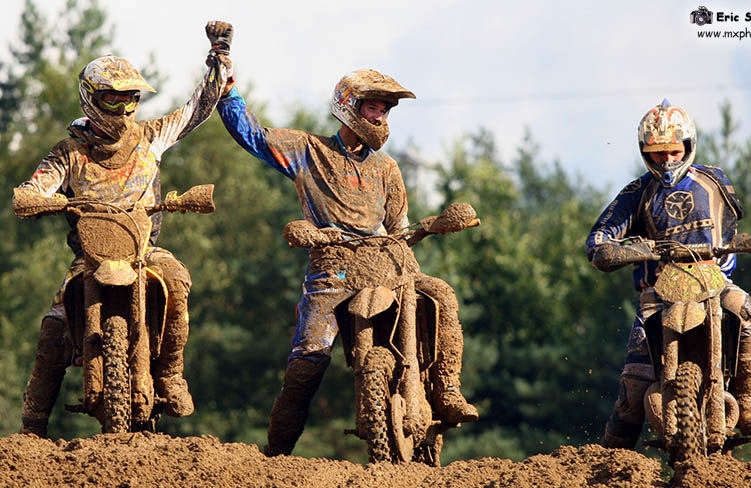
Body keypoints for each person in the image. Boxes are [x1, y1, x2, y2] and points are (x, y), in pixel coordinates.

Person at [215, 68, 479, 456]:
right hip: (332, 269)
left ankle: (447, 389)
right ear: (349, 107)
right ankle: (275, 454)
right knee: (309, 358)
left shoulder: (387, 168)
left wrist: (432, 225)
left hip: (387, 263)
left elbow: (398, 225)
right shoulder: (309, 151)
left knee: (441, 293)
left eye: (386, 112)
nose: (380, 119)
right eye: (374, 109)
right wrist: (227, 88)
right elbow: (253, 135)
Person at [12, 21, 235, 437]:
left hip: (142, 248)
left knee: (178, 280)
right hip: (89, 256)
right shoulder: (68, 153)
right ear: (91, 99)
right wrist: (36, 199)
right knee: (54, 326)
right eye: (111, 100)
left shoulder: (150, 137)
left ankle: (169, 374)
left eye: (128, 99)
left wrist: (219, 56)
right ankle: (32, 426)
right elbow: (33, 188)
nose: (121, 109)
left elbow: (197, 108)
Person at [585, 99, 751, 450]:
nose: (666, 160)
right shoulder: (636, 194)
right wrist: (619, 250)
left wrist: (743, 246)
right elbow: (598, 238)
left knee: (746, 310)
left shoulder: (714, 181)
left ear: (687, 145)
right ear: (644, 152)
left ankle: (747, 401)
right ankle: (609, 457)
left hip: (713, 281)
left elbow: (733, 227)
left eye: (672, 151)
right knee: (635, 386)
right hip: (659, 289)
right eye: (656, 153)